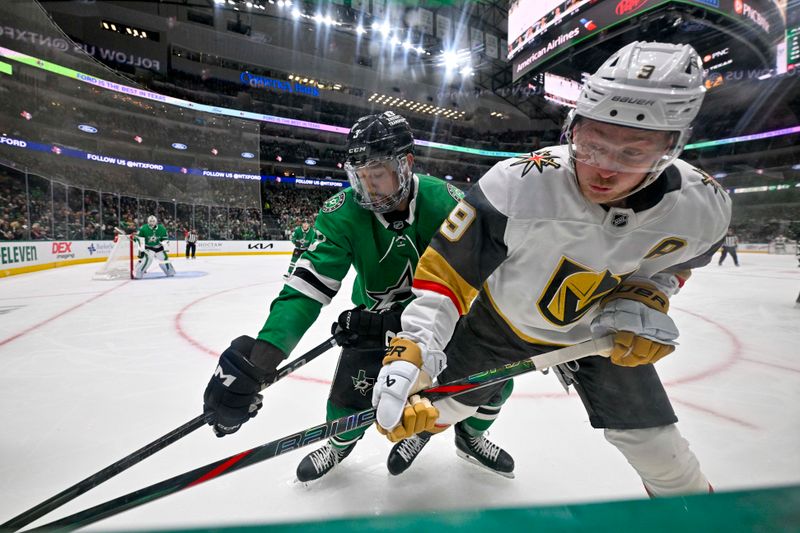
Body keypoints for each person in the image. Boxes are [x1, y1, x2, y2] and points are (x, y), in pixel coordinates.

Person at [371, 41, 731, 496]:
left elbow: (671, 264)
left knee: (658, 449)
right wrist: (415, 351)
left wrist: (645, 293)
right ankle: (434, 425)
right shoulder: (518, 185)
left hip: (598, 334)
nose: (602, 170)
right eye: (592, 145)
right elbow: (447, 275)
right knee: (439, 408)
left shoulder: (703, 208)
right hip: (497, 325)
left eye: (632, 155)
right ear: (573, 128)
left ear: (671, 148)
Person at [201, 111, 467, 482]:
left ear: (405, 164)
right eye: (359, 177)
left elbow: (473, 279)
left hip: (437, 321)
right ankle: (339, 444)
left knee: (477, 386)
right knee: (347, 399)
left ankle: (457, 436)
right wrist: (260, 363)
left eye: (377, 175)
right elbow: (305, 290)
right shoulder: (341, 212)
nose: (368, 188)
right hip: (373, 320)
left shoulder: (448, 203)